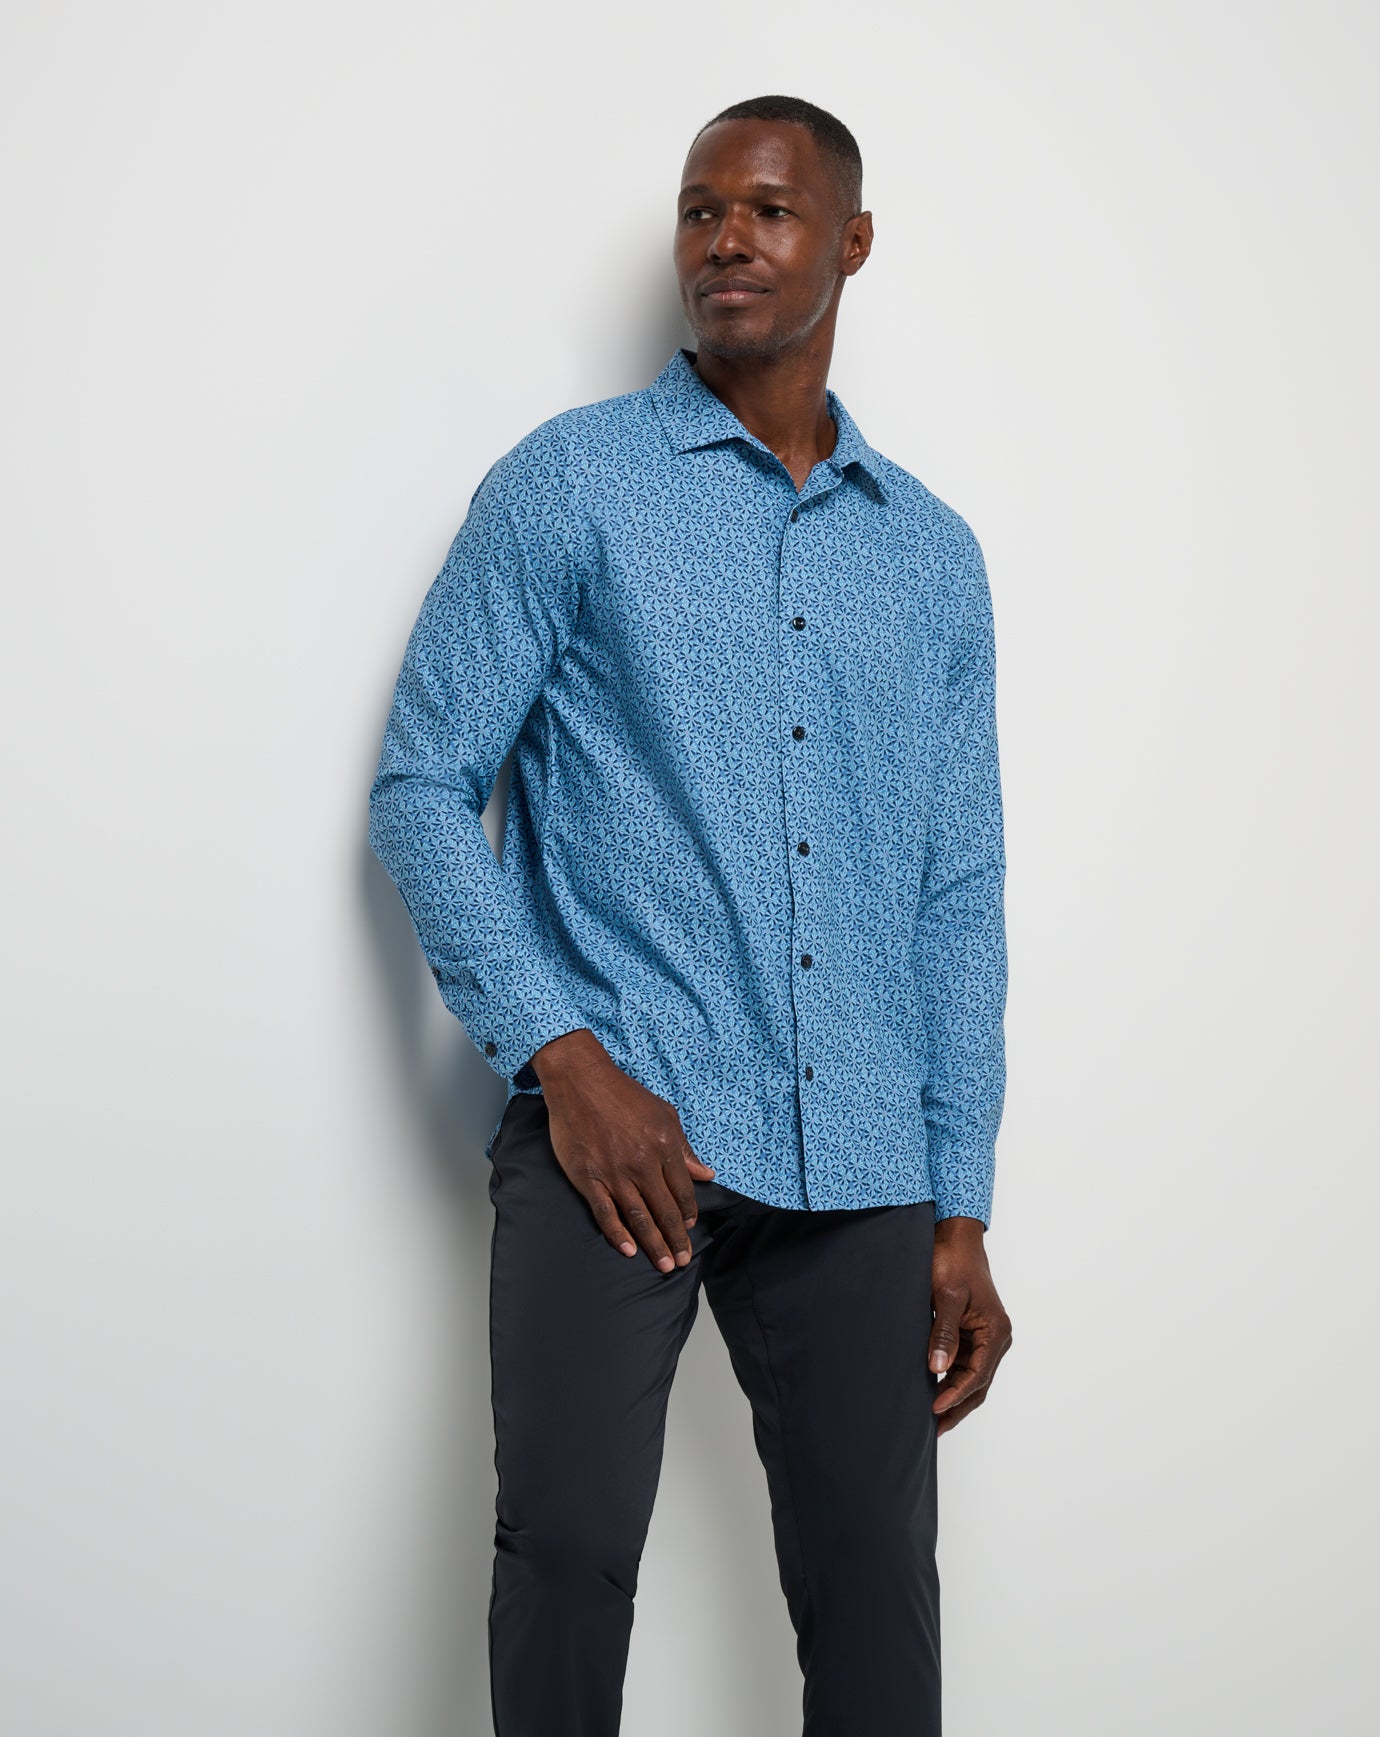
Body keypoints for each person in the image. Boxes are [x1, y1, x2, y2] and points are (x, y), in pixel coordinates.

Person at [369, 91, 1014, 1737]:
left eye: (770, 210)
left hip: (860, 1155)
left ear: (850, 243)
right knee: (569, 1551)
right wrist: (563, 1054)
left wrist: (961, 1199)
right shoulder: (570, 485)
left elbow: (956, 888)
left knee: (878, 1595)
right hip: (621, 1134)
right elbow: (424, 787)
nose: (726, 237)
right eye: (700, 208)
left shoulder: (933, 558)